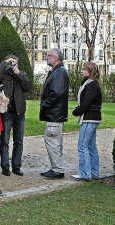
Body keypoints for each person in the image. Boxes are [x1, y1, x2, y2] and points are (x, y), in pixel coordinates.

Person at [0, 55, 32, 176]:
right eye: (10, 63)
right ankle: (5, 166)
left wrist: (18, 73)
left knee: (19, 141)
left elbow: (28, 87)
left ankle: (16, 166)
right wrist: (4, 63)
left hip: (19, 112)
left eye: (14, 63)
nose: (12, 65)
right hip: (7, 112)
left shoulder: (22, 74)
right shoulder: (4, 75)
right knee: (4, 140)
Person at [40, 48, 69, 179]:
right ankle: (56, 168)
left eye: (49, 55)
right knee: (54, 142)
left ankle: (57, 169)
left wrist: (44, 105)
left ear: (56, 58)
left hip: (54, 114)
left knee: (53, 142)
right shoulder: (59, 71)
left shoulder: (59, 72)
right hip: (55, 114)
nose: (47, 57)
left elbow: (56, 93)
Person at [72, 62, 102, 181]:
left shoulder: (92, 85)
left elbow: (86, 104)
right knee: (91, 146)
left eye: (84, 69)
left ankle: (85, 174)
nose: (81, 71)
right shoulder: (90, 83)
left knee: (82, 146)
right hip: (92, 118)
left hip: (90, 118)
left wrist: (76, 111)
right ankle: (94, 173)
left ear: (91, 71)